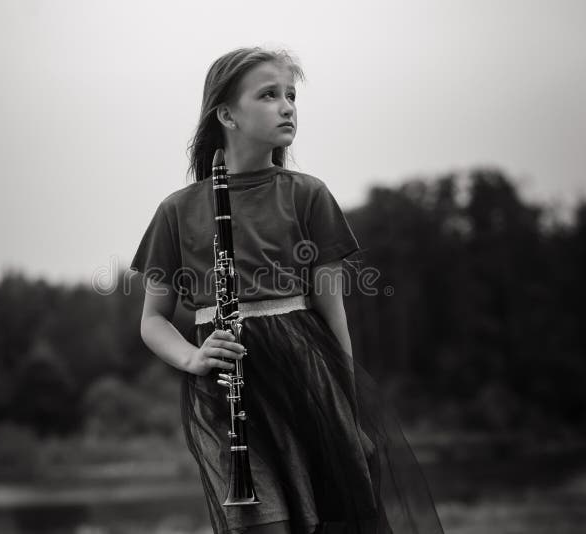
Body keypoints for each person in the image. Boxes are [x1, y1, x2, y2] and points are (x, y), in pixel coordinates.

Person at [131, 47, 445, 534]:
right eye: (269, 95)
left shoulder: (308, 194)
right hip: (226, 387)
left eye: (291, 96)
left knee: (328, 521)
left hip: (306, 378)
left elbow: (333, 314)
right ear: (227, 115)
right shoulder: (178, 210)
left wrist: (346, 411)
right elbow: (153, 320)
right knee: (262, 525)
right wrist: (192, 357)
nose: (287, 107)